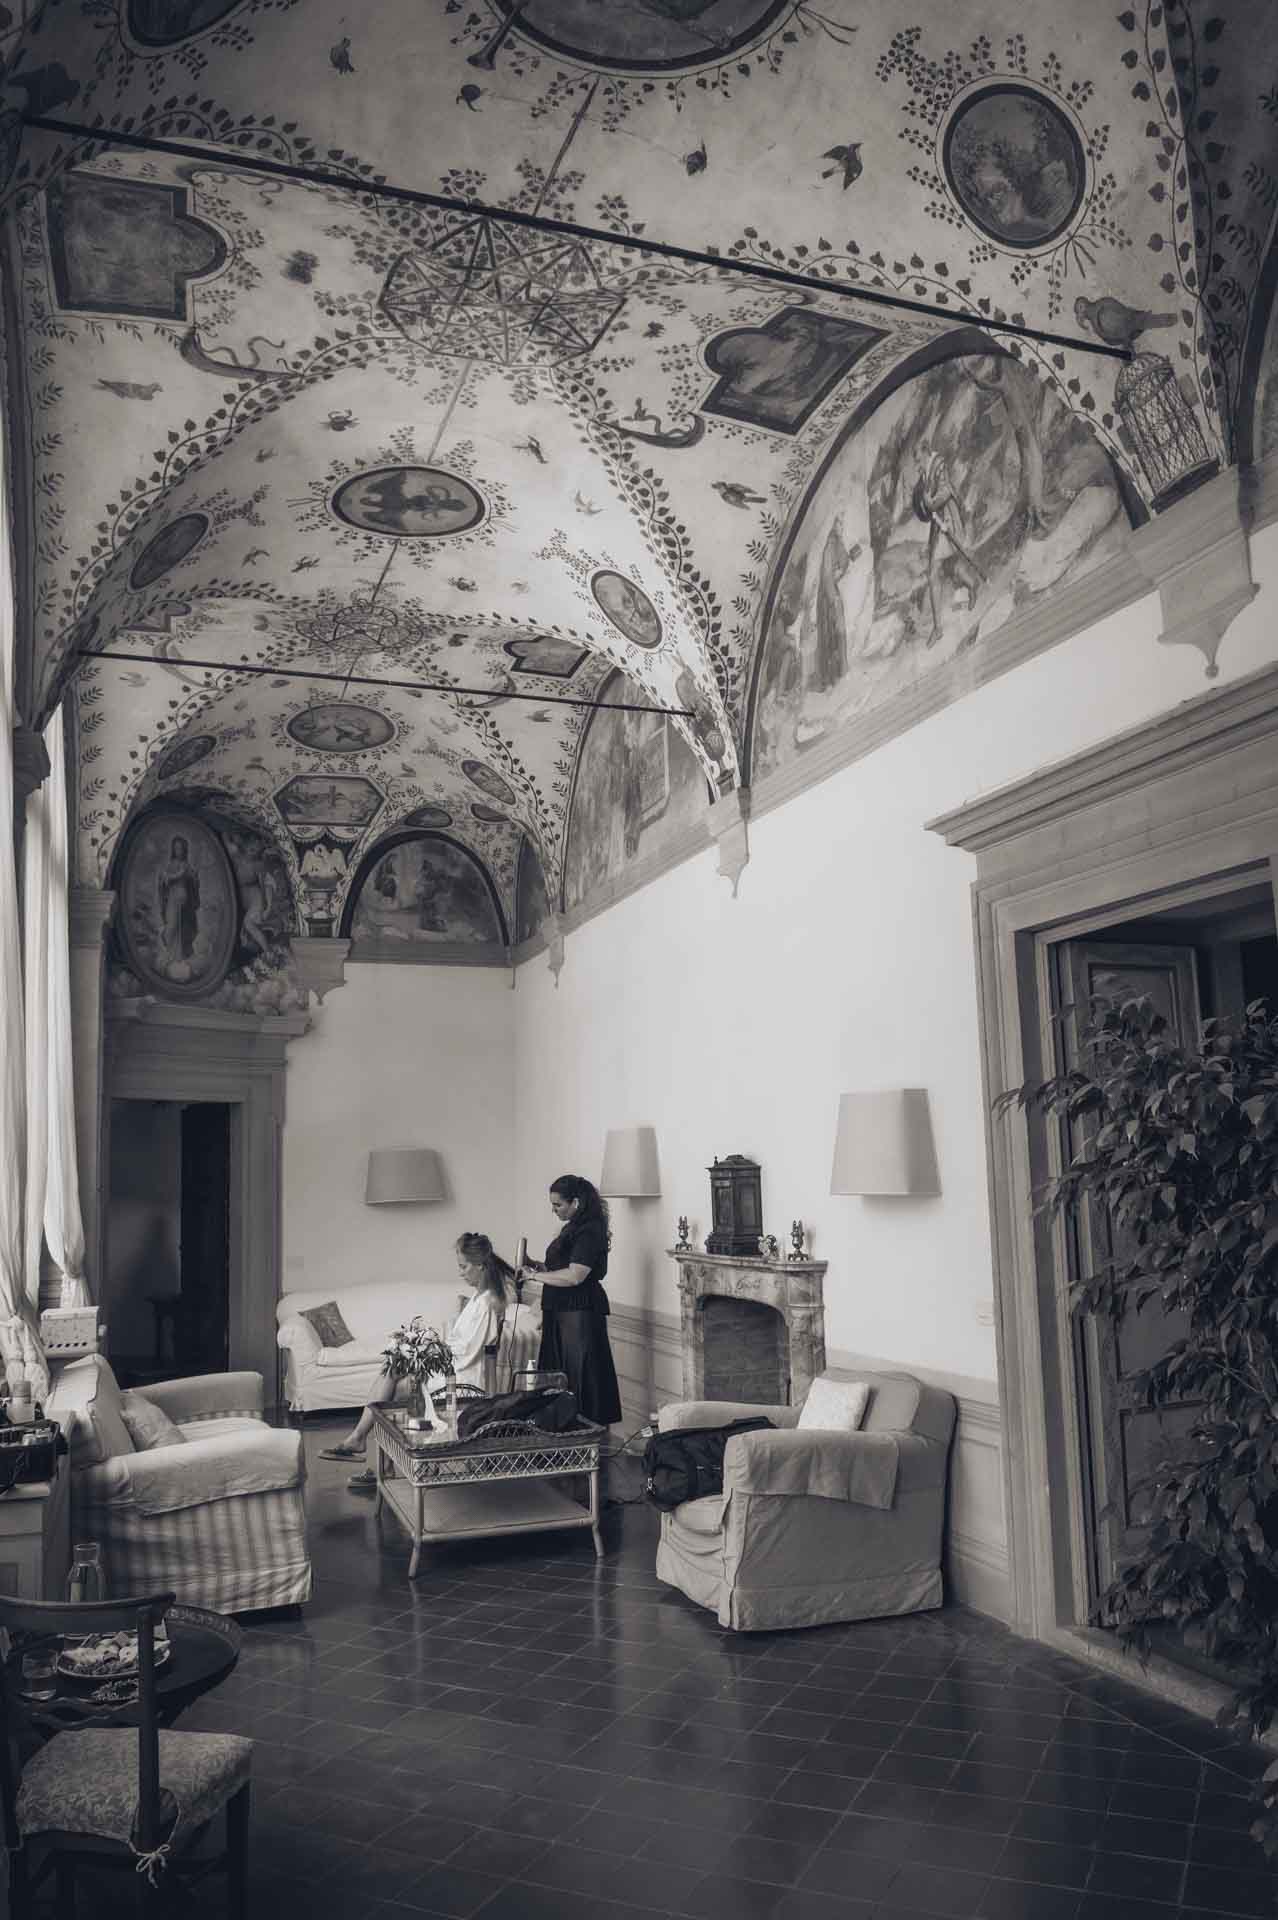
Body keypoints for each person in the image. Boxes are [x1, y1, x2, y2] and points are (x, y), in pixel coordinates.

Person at [320, 1233, 514, 1484]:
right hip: (452, 1368)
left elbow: (467, 1351)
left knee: (395, 1382)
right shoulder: (479, 1297)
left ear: (481, 1266)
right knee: (393, 1367)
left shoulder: (487, 1302)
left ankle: (371, 1453)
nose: (460, 1273)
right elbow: (458, 1343)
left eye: (464, 1267)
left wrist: (424, 1349)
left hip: (461, 1378)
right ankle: (368, 1451)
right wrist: (419, 1346)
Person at [519, 1174, 621, 1428]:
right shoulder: (573, 1228)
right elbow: (560, 1269)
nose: (554, 1210)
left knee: (580, 1376)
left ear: (575, 1202)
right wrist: (535, 1265)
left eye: (558, 1205)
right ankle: (565, 1435)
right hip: (562, 1310)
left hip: (579, 1311)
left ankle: (585, 1436)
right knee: (562, 1374)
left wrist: (533, 1276)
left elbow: (575, 1275)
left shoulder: (590, 1231)